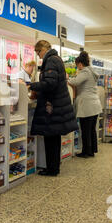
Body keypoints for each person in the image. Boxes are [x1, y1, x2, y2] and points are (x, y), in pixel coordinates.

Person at [28, 40, 78, 176]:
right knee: (54, 138)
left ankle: (52, 169)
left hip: (53, 105)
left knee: (51, 138)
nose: (38, 56)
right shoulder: (57, 59)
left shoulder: (50, 60)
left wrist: (32, 85)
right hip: (58, 103)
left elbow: (50, 83)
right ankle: (53, 167)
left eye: (38, 53)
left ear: (42, 50)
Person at [68, 51, 102, 158]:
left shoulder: (85, 72)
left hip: (87, 105)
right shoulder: (91, 72)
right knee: (91, 129)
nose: (77, 68)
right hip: (95, 104)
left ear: (80, 64)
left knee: (86, 129)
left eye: (77, 65)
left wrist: (67, 79)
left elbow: (75, 82)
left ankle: (86, 152)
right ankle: (92, 150)